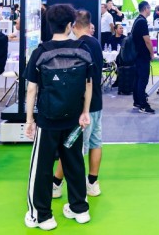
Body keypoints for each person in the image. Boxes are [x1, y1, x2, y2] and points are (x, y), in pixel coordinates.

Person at [24, 4, 92, 230]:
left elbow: (31, 89)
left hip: (47, 121)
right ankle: (80, 209)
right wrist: (85, 112)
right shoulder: (83, 49)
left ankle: (41, 216)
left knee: (42, 167)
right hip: (73, 120)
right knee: (75, 163)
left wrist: (29, 120)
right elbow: (88, 85)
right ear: (70, 25)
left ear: (49, 24)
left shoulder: (40, 52)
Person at [54, 10, 104, 198]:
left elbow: (81, 79)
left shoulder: (80, 46)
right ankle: (93, 183)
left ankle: (56, 184)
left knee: (71, 146)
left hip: (84, 106)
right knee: (95, 142)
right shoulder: (95, 43)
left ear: (73, 25)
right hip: (97, 103)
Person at [131, 1, 155, 114]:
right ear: (146, 9)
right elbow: (147, 40)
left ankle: (137, 101)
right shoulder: (142, 22)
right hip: (142, 55)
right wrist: (152, 53)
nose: (150, 10)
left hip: (137, 54)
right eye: (149, 8)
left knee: (138, 78)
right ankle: (143, 104)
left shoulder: (137, 20)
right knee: (143, 79)